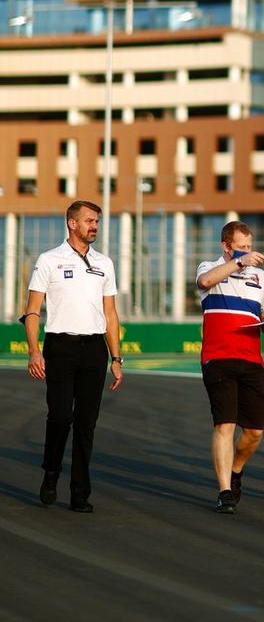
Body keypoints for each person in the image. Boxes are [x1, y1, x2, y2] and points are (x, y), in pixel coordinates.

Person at [23, 200, 123, 513]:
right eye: (90, 221)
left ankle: (80, 492)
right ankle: (51, 472)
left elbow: (110, 313)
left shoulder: (104, 262)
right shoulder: (49, 260)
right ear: (72, 223)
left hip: (94, 349)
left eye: (97, 222)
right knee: (61, 417)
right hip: (60, 347)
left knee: (86, 423)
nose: (95, 226)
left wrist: (116, 358)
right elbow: (32, 311)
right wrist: (34, 351)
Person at [196, 220, 264, 514]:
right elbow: (205, 283)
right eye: (240, 247)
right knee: (225, 424)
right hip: (218, 358)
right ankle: (224, 491)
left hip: (252, 359)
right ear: (226, 246)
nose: (247, 252)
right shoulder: (209, 268)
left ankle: (236, 470)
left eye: (249, 247)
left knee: (254, 431)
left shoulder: (260, 277)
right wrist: (239, 262)